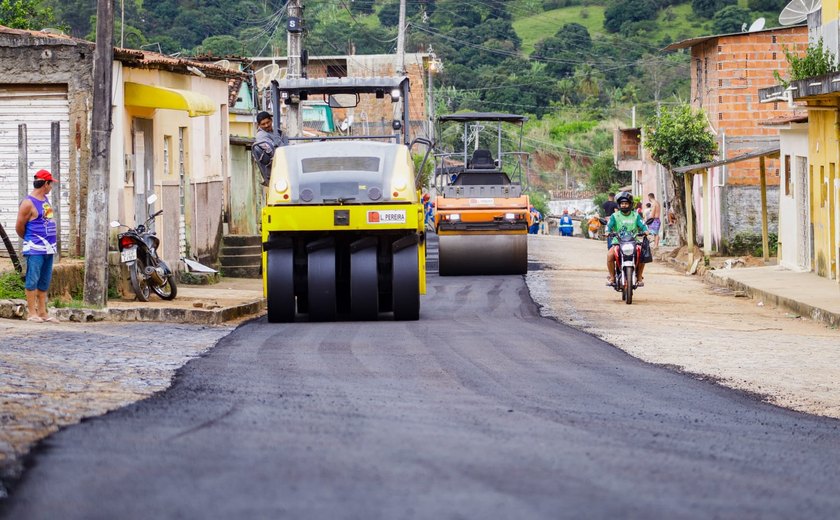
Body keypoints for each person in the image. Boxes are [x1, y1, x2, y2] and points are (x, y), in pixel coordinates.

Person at [15, 169, 59, 323]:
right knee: (32, 279)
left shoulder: (45, 200)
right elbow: (19, 227)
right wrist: (30, 239)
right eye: (50, 183)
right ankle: (31, 312)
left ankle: (42, 312)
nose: (51, 186)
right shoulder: (28, 203)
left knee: (44, 280)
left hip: (49, 247)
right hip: (35, 248)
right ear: (45, 184)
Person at [605, 191, 650, 287]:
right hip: (618, 242)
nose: (624, 205)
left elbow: (643, 224)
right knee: (610, 255)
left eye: (626, 203)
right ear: (619, 205)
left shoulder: (636, 215)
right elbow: (608, 226)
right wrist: (607, 232)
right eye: (622, 203)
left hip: (634, 241)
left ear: (630, 204)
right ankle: (612, 277)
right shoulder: (614, 216)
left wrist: (646, 230)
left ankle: (639, 277)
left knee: (641, 255)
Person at [252, 111, 289, 186]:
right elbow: (272, 151)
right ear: (259, 125)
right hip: (275, 164)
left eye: (268, 122)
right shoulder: (261, 136)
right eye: (263, 124)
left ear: (271, 120)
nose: (266, 125)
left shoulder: (276, 131)